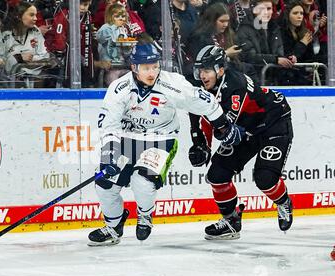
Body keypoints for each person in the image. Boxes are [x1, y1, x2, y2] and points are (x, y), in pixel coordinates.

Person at [87, 39, 245, 246]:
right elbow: (109, 124)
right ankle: (113, 226)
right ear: (134, 67)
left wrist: (224, 126)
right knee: (104, 184)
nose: (152, 72)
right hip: (128, 139)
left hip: (161, 139)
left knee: (141, 182)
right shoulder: (120, 88)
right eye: (146, 68)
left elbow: (204, 101)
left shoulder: (173, 83)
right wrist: (109, 156)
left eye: (155, 66)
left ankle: (145, 215)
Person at [189, 45, 294, 240]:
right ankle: (231, 221)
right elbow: (195, 110)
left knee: (265, 178)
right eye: (200, 70)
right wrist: (199, 142)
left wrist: (210, 139)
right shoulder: (208, 86)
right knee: (217, 175)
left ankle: (284, 202)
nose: (202, 76)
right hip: (245, 126)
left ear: (220, 69)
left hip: (273, 122)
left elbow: (227, 130)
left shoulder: (235, 85)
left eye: (207, 70)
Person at [1, 1, 60, 88]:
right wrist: (19, 57)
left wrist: (32, 59)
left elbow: (44, 54)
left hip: (35, 77)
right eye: (31, 15)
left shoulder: (35, 31)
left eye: (36, 15)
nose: (35, 18)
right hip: (11, 83)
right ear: (19, 16)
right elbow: (2, 62)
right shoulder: (6, 35)